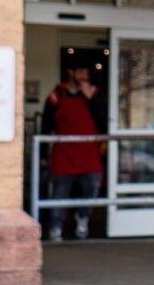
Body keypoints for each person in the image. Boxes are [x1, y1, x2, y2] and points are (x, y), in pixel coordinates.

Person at [38, 60, 106, 241]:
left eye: (86, 72)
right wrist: (43, 154)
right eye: (80, 71)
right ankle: (55, 227)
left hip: (88, 152)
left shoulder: (95, 94)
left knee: (93, 185)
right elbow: (45, 125)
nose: (84, 76)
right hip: (64, 151)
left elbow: (103, 119)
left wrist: (90, 99)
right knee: (60, 191)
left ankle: (82, 217)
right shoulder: (57, 94)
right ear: (71, 72)